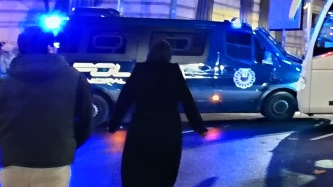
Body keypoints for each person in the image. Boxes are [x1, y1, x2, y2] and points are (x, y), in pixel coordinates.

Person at [0, 27, 92, 187]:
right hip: (56, 162)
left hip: (13, 161)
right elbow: (85, 123)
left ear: (19, 49)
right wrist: (66, 145)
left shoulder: (4, 81)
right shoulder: (76, 79)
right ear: (50, 47)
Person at [109, 40, 207, 187]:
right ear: (169, 55)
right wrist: (200, 127)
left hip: (141, 125)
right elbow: (187, 101)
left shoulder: (140, 70)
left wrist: (113, 124)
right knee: (164, 168)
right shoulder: (173, 71)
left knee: (137, 166)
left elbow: (125, 98)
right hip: (167, 128)